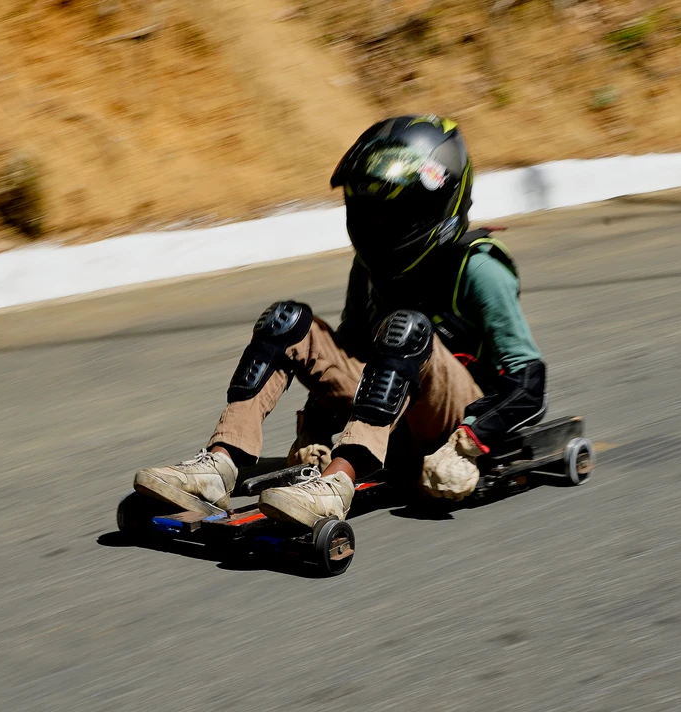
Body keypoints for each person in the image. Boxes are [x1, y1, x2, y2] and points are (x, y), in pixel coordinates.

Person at [132, 115, 547, 526]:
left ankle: (335, 484)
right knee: (286, 322)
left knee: (407, 329)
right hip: (389, 416)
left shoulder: (479, 268)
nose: (375, 226)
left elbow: (529, 382)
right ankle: (219, 464)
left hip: (450, 423)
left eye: (389, 214)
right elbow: (351, 351)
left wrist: (467, 444)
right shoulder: (368, 270)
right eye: (367, 212)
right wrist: (313, 428)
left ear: (434, 206)